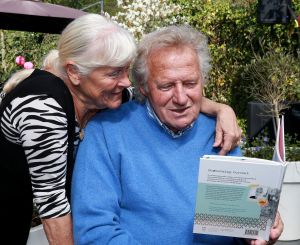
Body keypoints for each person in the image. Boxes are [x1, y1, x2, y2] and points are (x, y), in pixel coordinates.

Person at [0, 14, 241, 245]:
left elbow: (159, 95)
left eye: (125, 70)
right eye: (114, 73)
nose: (126, 81)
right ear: (74, 72)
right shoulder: (43, 107)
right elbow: (52, 203)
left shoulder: (109, 93)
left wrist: (222, 109)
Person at [71, 25, 283, 245]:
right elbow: (95, 232)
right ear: (143, 87)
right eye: (166, 86)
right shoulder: (107, 132)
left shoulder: (220, 130)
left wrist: (259, 230)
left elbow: (239, 227)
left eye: (190, 83)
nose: (181, 98)